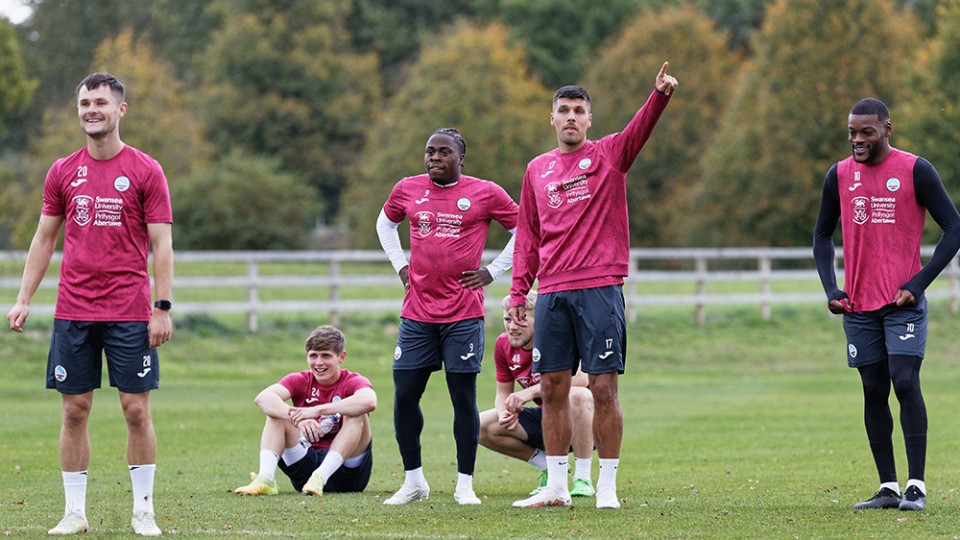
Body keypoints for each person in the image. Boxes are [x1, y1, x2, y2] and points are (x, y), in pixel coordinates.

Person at [6, 72, 173, 536]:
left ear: (120, 110)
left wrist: (161, 307)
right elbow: (44, 238)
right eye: (84, 103)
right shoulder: (62, 170)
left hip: (129, 311)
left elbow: (162, 246)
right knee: (74, 409)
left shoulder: (145, 170)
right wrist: (23, 299)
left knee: (136, 411)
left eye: (100, 102)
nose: (91, 110)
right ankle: (74, 513)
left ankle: (143, 510)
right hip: (73, 311)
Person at [510, 63, 678, 509]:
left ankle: (607, 485)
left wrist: (658, 95)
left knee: (603, 389)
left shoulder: (608, 155)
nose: (570, 117)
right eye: (562, 110)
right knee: (552, 388)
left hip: (600, 287)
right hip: (551, 293)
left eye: (578, 111)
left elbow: (638, 132)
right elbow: (527, 237)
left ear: (589, 119)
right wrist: (516, 294)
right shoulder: (536, 170)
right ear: (552, 118)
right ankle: (557, 487)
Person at [813, 97, 960, 512]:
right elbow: (822, 236)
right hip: (859, 306)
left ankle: (916, 486)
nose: (857, 140)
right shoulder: (839, 175)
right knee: (873, 390)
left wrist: (919, 282)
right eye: (852, 133)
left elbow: (954, 228)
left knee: (905, 381)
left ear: (887, 130)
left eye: (867, 132)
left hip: (903, 303)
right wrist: (832, 289)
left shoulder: (916, 170)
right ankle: (888, 487)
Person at [376, 127, 519, 505]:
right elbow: (385, 223)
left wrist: (494, 270)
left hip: (463, 316)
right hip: (417, 314)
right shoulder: (407, 188)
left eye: (443, 152)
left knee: (463, 398)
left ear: (460, 159)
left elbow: (526, 230)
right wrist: (400, 265)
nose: (435, 158)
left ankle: (464, 484)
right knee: (405, 395)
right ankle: (413, 482)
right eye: (430, 152)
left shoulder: (485, 192)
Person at [234, 325, 376, 497]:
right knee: (276, 414)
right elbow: (263, 398)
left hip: (347, 473)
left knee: (357, 413)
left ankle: (321, 477)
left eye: (326, 356)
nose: (318, 362)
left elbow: (369, 401)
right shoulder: (300, 379)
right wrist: (298, 418)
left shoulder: (352, 380)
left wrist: (316, 411)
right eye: (313, 355)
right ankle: (266, 479)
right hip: (307, 466)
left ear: (341, 357)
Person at [479, 292, 595, 497]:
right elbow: (502, 393)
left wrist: (528, 393)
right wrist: (504, 413)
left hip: (587, 425)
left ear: (540, 319)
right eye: (508, 319)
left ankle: (582, 477)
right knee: (478, 425)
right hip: (550, 421)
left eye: (521, 319)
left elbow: (580, 380)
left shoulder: (561, 337)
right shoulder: (503, 344)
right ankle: (547, 467)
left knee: (578, 395)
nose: (512, 326)